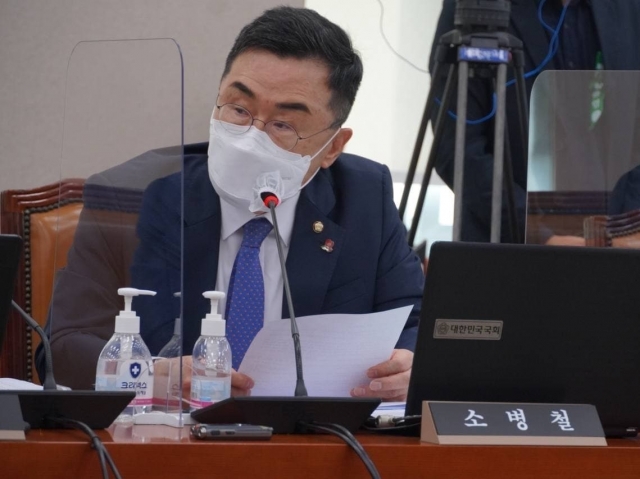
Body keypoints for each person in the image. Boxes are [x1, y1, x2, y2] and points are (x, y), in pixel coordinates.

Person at [39, 7, 425, 401]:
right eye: (239, 109)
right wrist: (151, 375)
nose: (250, 139)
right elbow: (61, 348)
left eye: (283, 125)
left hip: (313, 434)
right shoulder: (131, 198)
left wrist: (411, 365)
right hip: (167, 434)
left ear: (333, 148)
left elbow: (417, 323)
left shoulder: (364, 199)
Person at [429, 0, 640, 244]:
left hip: (618, 250)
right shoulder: (474, 7)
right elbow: (457, 150)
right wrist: (537, 233)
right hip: (508, 249)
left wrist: (627, 229)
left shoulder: (629, 9)